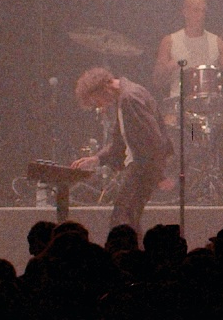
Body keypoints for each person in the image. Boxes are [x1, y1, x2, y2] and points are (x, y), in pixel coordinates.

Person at [71, 66, 174, 233]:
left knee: (122, 220)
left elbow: (152, 138)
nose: (100, 106)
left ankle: (130, 249)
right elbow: (120, 142)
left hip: (143, 168)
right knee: (128, 219)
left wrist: (160, 175)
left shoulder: (130, 98)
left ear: (103, 88)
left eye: (97, 101)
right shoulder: (125, 98)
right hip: (141, 167)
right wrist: (96, 159)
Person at [153, 0, 223, 104]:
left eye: (203, 11)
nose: (201, 15)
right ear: (185, 12)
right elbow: (157, 82)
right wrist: (168, 67)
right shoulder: (169, 41)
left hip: (210, 104)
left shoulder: (218, 42)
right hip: (179, 104)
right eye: (196, 10)